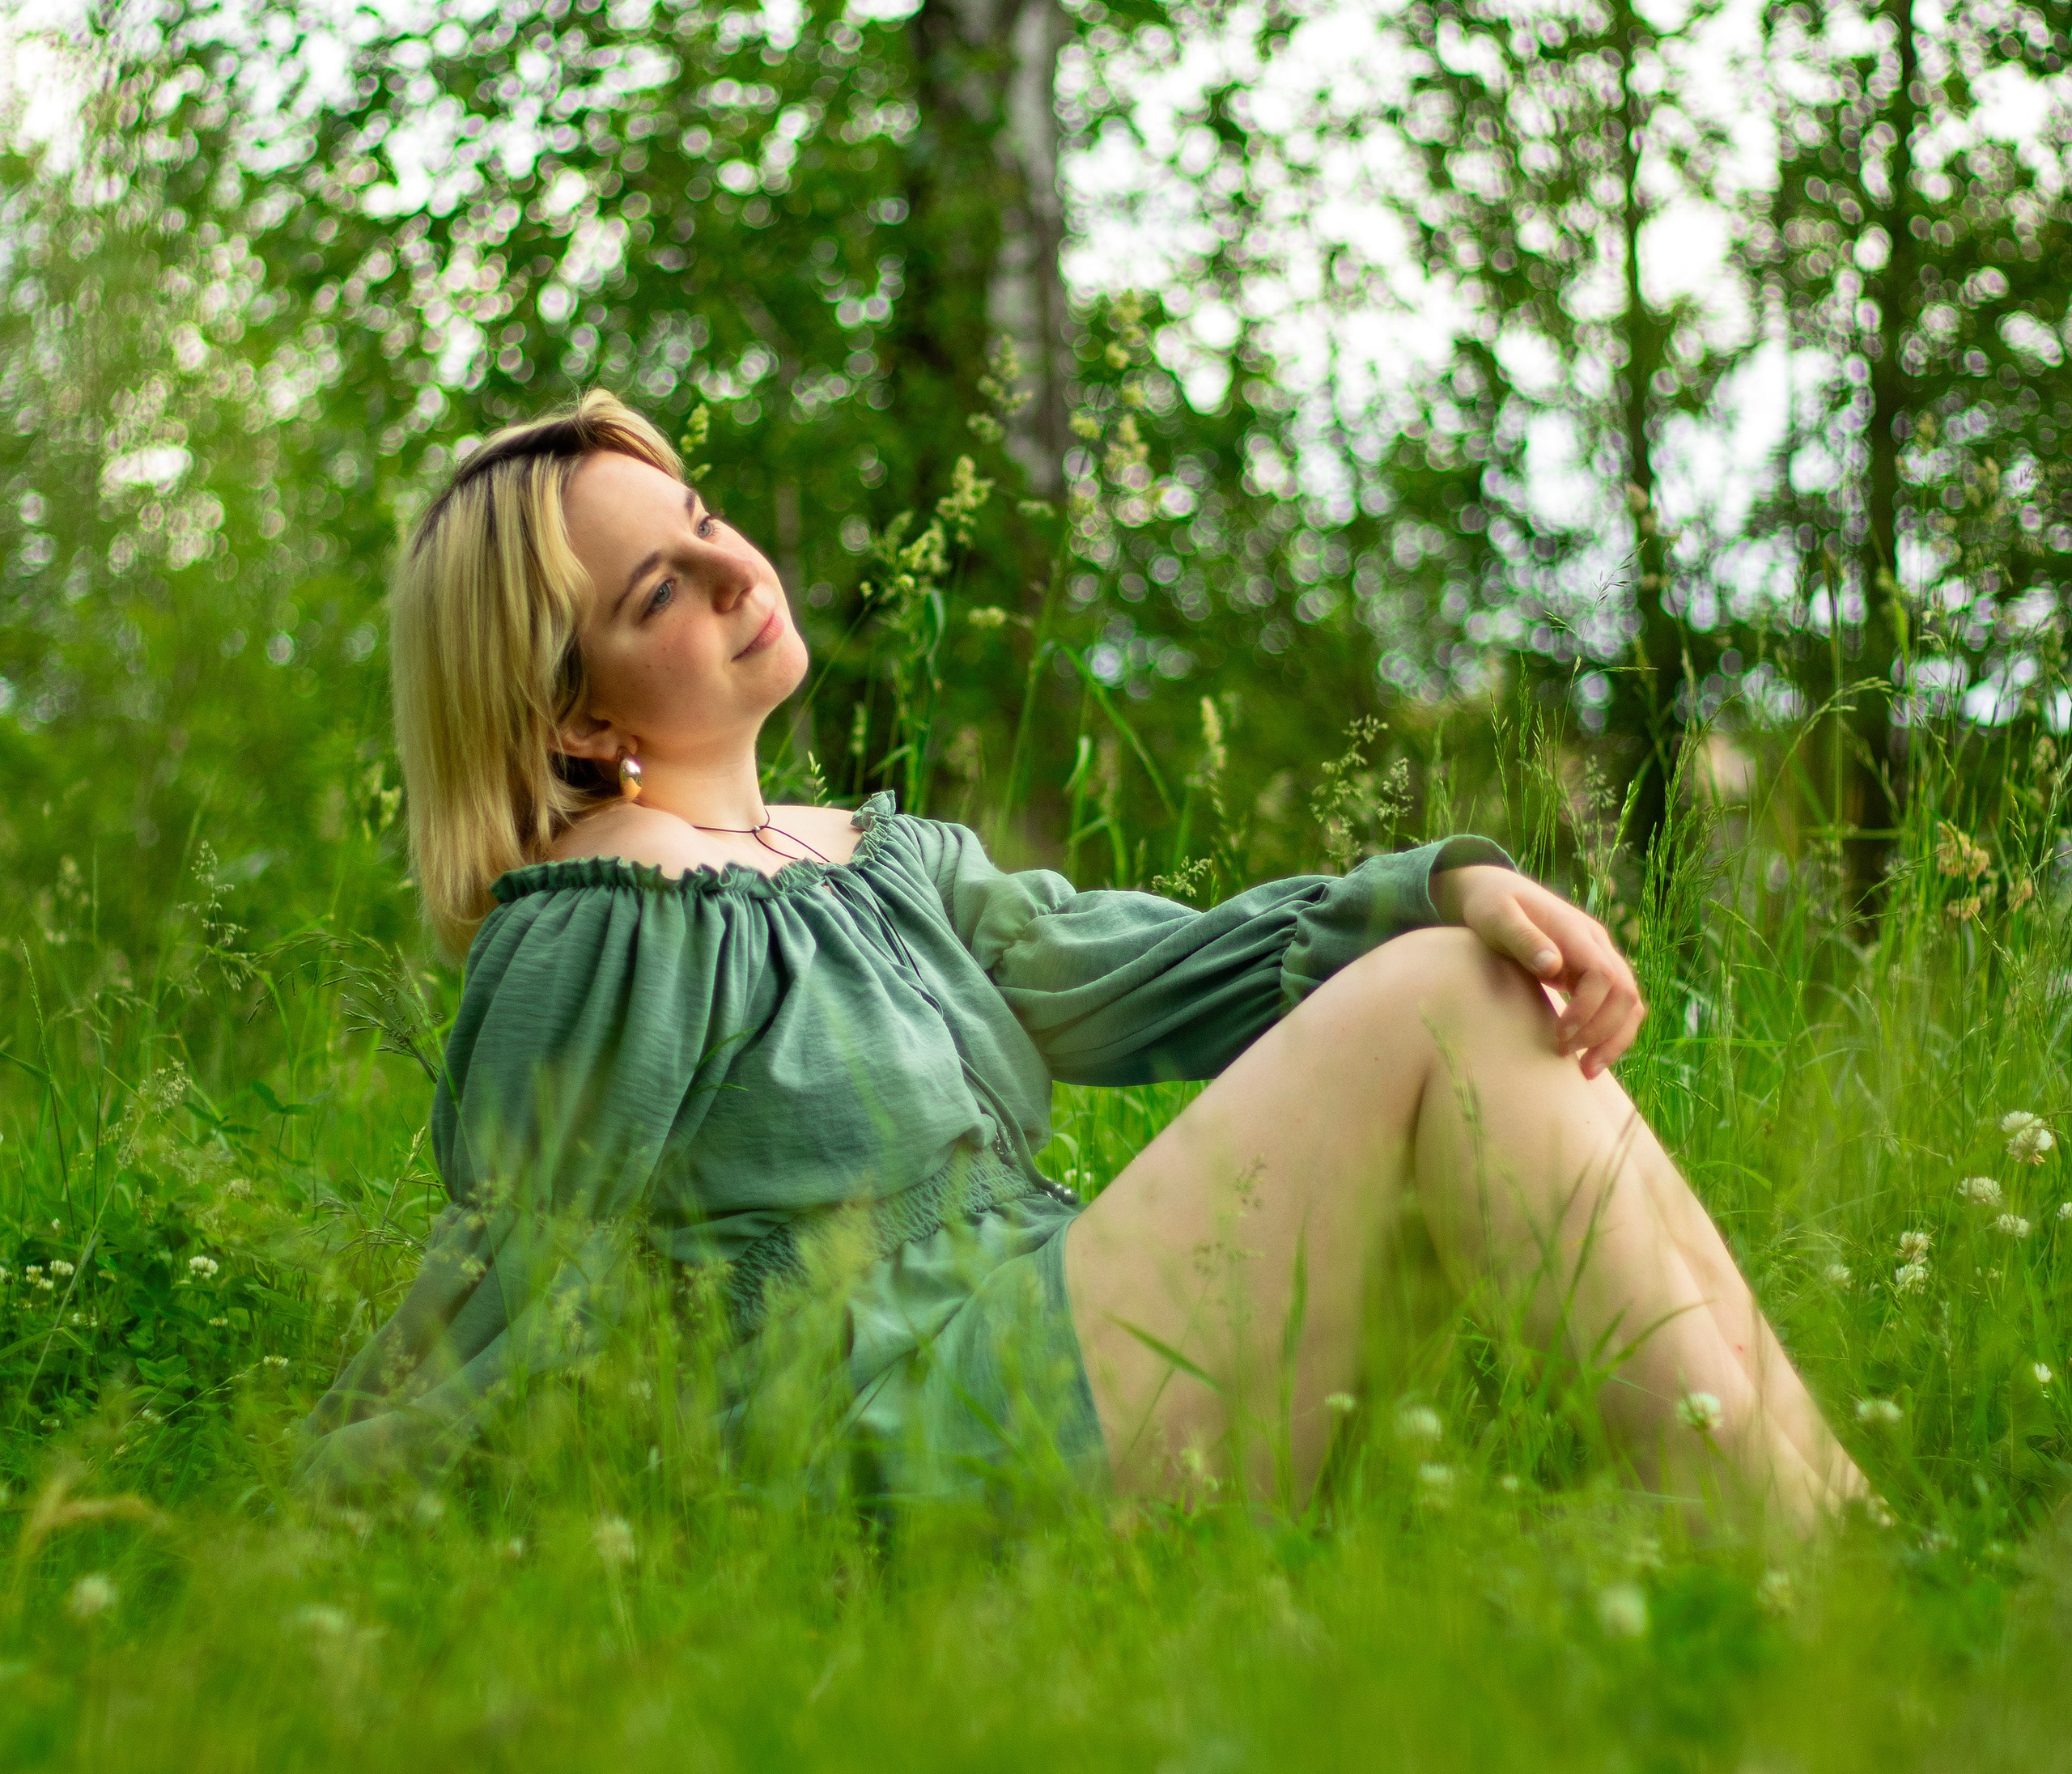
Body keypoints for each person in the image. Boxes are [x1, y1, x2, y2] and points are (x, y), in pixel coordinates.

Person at [301, 393, 1866, 1530]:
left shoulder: (877, 861)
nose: (731, 575)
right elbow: (522, 1262)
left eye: (705, 528)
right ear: (577, 717)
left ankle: (1826, 1533)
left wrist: (1448, 879)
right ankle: (1788, 1556)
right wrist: (350, 1520)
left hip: (1062, 1371)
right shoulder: (600, 924)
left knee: (1473, 979)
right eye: (663, 593)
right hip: (903, 1452)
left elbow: (1169, 977)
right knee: (1448, 1001)